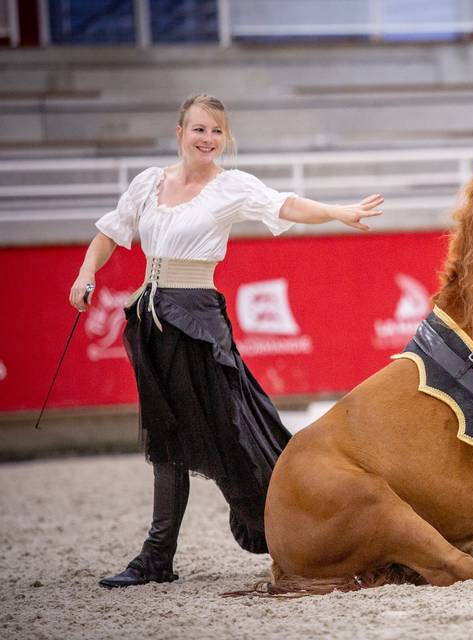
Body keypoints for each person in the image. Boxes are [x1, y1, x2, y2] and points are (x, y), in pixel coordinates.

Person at [68, 94, 383, 589]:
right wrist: (86, 273)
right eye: (198, 129)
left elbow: (285, 204)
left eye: (216, 131)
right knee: (166, 436)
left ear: (225, 137)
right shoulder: (149, 183)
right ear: (179, 133)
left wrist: (338, 211)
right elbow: (112, 232)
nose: (207, 139)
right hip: (150, 320)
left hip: (196, 321)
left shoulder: (231, 187)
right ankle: (157, 556)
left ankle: (316, 522)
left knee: (240, 431)